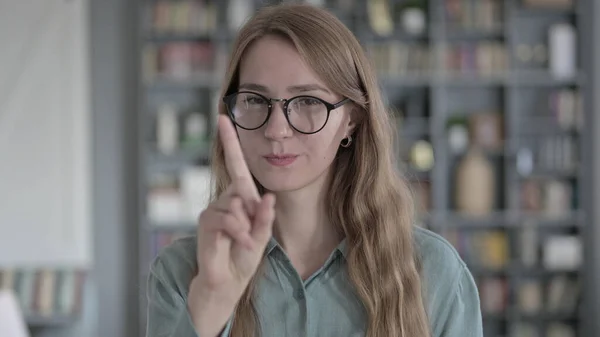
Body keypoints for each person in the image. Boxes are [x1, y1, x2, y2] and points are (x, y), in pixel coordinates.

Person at [146, 3, 483, 337]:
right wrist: (208, 308)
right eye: (254, 100)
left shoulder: (434, 272)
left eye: (308, 101)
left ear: (351, 119)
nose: (277, 130)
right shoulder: (182, 273)